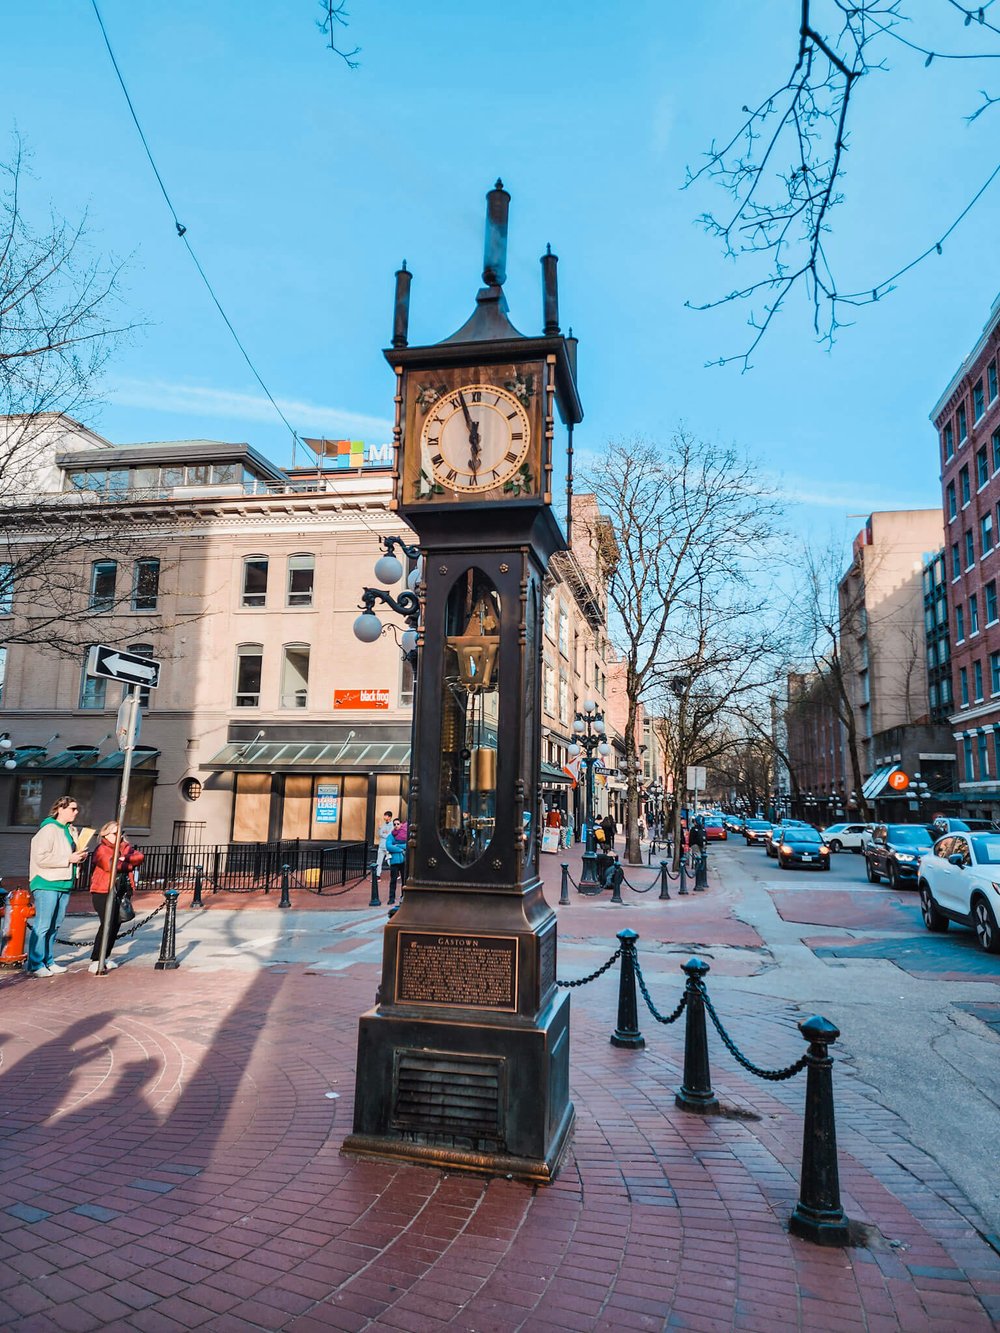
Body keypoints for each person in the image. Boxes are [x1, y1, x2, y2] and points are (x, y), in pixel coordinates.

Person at [27, 797, 89, 977]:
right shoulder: (48, 829)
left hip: (64, 882)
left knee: (55, 925)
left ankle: (48, 960)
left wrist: (79, 858)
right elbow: (41, 858)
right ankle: (35, 963)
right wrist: (68, 859)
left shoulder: (71, 830)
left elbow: (68, 854)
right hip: (46, 881)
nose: (76, 812)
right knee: (43, 925)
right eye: (72, 808)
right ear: (60, 809)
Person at [87, 821, 145, 974]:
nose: (118, 837)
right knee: (107, 923)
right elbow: (111, 866)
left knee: (115, 925)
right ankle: (96, 959)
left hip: (121, 891)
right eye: (114, 833)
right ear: (105, 834)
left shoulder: (125, 847)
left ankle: (105, 957)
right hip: (103, 891)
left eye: (121, 833)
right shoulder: (102, 849)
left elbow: (139, 857)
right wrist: (129, 864)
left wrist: (124, 859)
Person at [386, 822, 407, 905]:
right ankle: (391, 898)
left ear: (401, 825)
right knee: (393, 880)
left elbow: (407, 845)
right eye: (394, 824)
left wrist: (396, 845)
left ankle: (403, 896)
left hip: (403, 861)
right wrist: (401, 849)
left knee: (404, 881)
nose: (396, 825)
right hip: (394, 861)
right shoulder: (391, 836)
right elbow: (389, 846)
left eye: (398, 824)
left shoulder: (405, 835)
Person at [375, 811, 395, 876]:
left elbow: (389, 835)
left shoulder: (392, 825)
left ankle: (395, 873)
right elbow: (380, 834)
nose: (384, 817)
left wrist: (383, 833)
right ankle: (378, 875)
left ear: (389, 817)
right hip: (381, 846)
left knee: (389, 861)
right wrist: (383, 832)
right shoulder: (383, 825)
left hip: (388, 846)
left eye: (385, 816)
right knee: (379, 861)